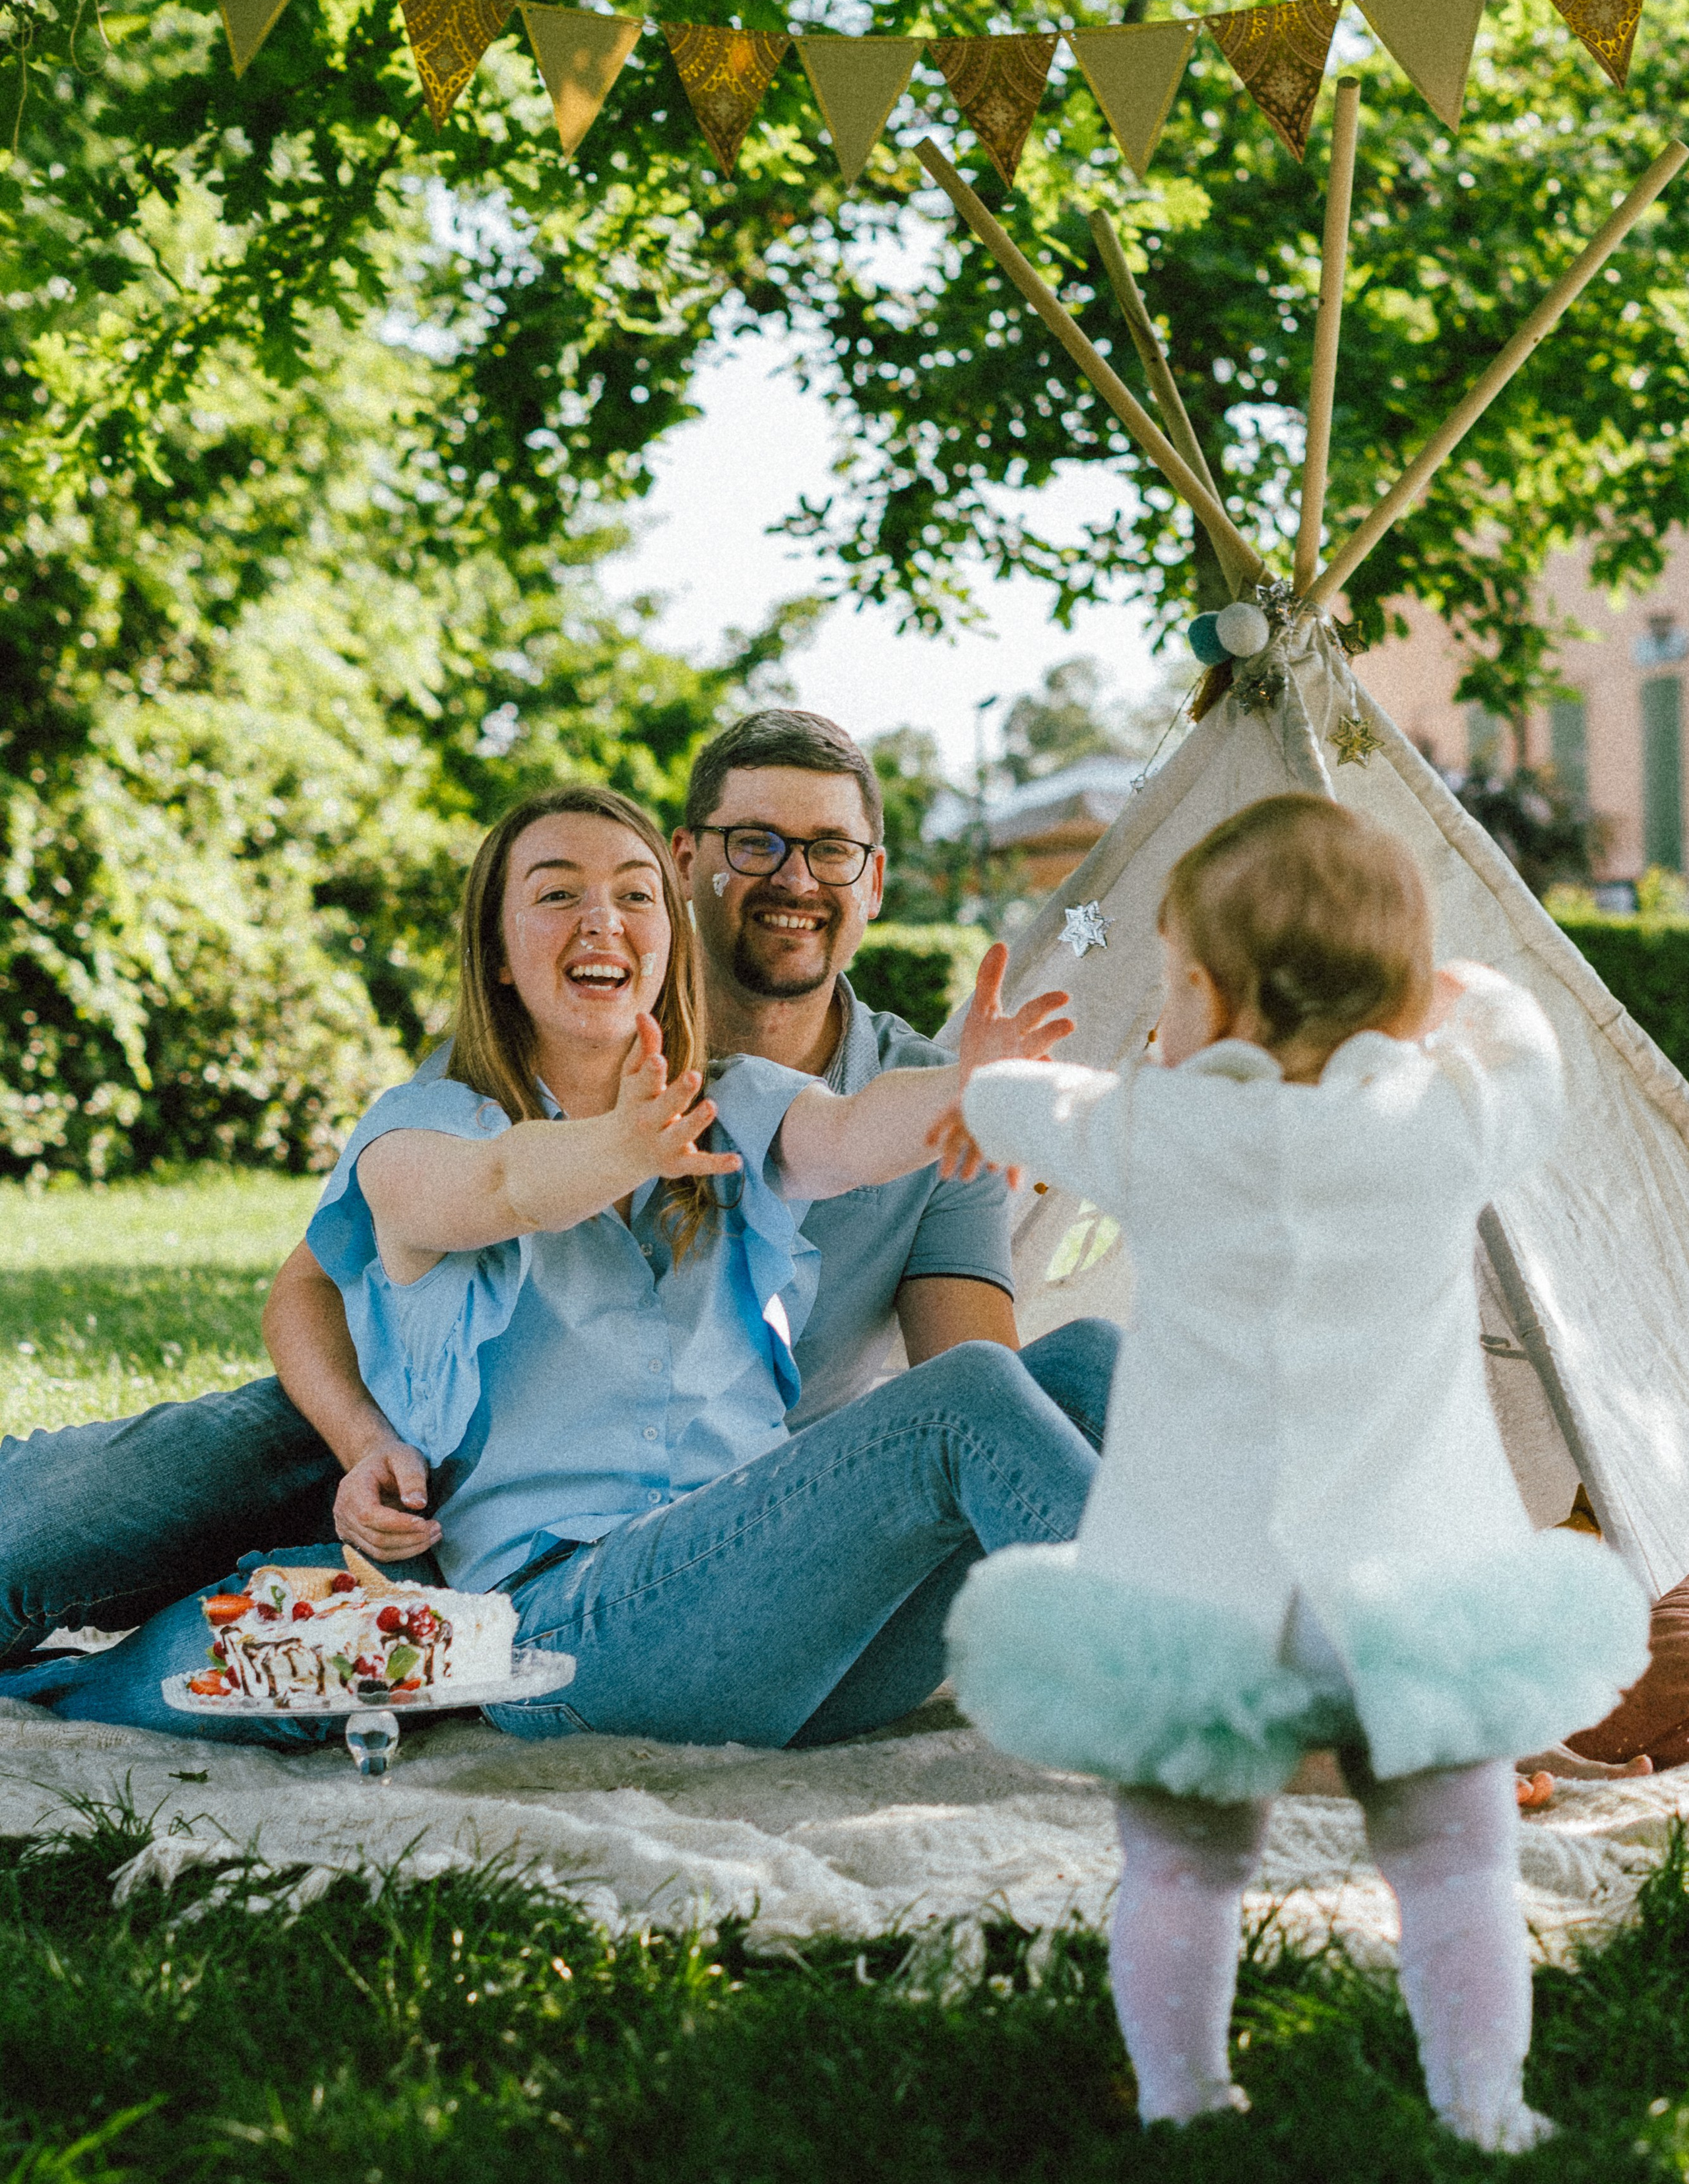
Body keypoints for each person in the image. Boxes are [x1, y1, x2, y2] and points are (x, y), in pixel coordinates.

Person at [0, 711, 1120, 1665]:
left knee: (1077, 1371)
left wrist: (974, 1099)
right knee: (74, 1519)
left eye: (830, 850)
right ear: (690, 864)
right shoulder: (526, 1053)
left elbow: (968, 1350)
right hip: (442, 1421)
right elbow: (332, 1273)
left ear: (873, 882)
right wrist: (362, 1442)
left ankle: (1223, 1648)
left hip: (758, 1498)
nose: (793, 877)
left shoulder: (871, 1094)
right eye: (755, 842)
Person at [940, 794, 1648, 2151]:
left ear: (1203, 993)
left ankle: (1183, 2105)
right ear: (1394, 994)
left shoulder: (1155, 1131)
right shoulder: (1440, 1126)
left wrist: (981, 1084)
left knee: (1179, 1865)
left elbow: (1036, 1105)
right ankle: (1481, 2107)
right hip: (1406, 1592)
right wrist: (1468, 996)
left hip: (1200, 1595)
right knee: (1453, 1864)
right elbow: (1530, 1067)